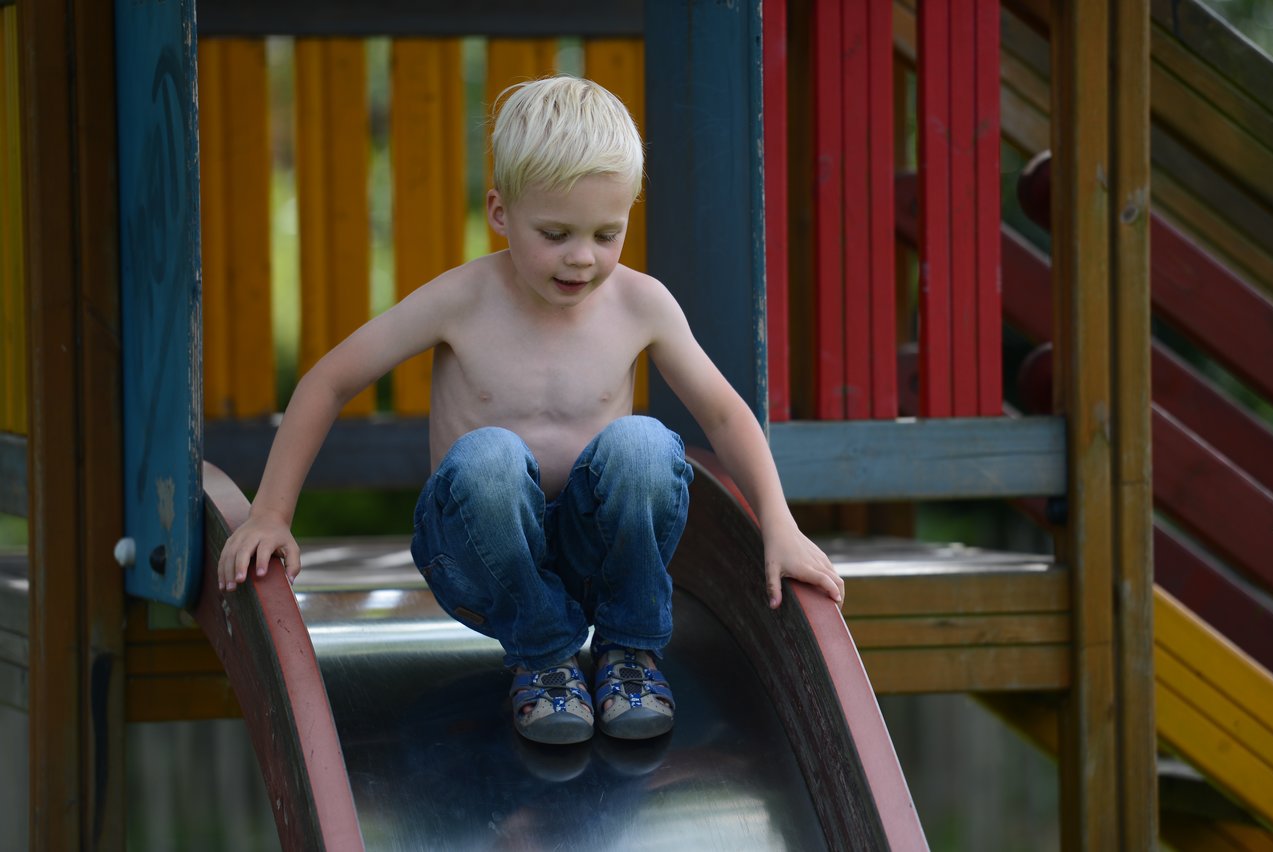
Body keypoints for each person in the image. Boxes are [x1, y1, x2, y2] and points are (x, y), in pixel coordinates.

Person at [217, 75, 844, 746]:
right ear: (499, 212)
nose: (582, 257)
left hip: (592, 556)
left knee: (646, 445)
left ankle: (629, 650)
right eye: (556, 233)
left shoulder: (642, 305)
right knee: (491, 457)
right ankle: (544, 658)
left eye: (608, 233)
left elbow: (721, 414)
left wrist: (778, 525)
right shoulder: (461, 301)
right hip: (479, 557)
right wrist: (271, 513)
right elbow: (328, 381)